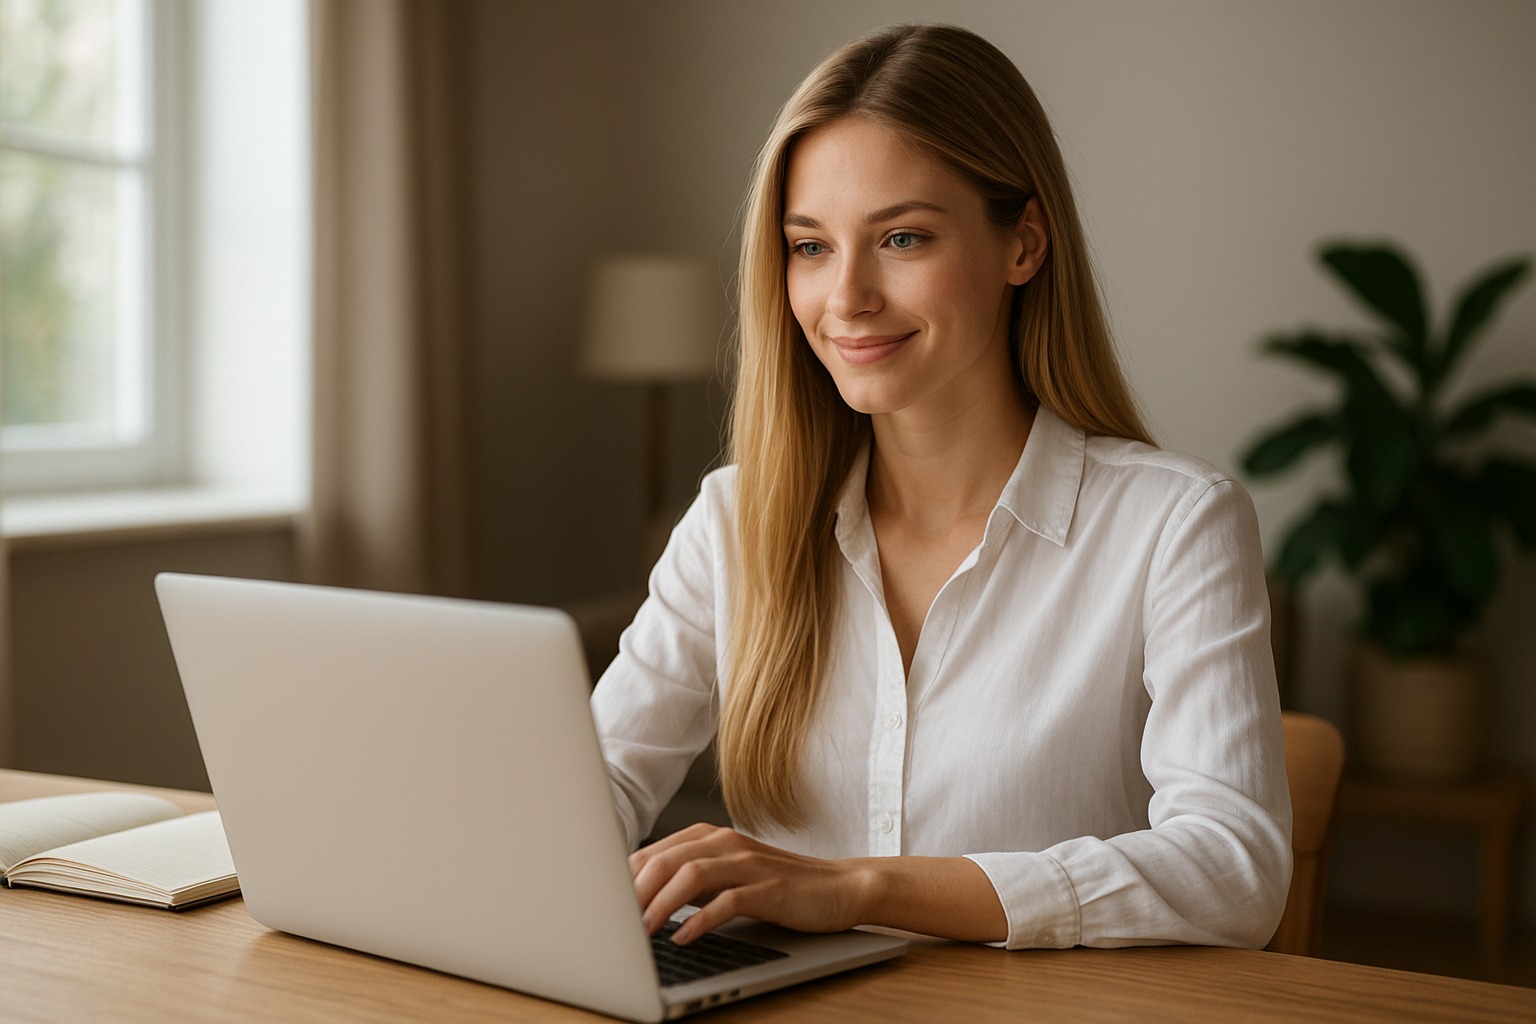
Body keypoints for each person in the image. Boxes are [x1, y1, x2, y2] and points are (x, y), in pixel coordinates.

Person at [591, 23, 1291, 951]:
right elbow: (592, 787)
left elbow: (1233, 870)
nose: (846, 298)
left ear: (1024, 244)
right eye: (810, 247)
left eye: (902, 238)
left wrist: (860, 889)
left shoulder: (1175, 524)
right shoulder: (734, 520)